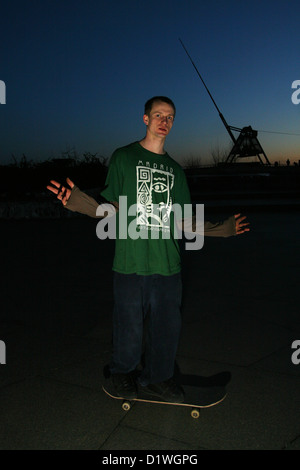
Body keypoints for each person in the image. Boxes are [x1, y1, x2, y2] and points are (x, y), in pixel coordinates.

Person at [47, 96, 249, 403]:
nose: (164, 121)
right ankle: (121, 373)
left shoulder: (176, 171)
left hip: (168, 263)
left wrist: (224, 228)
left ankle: (158, 378)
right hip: (130, 261)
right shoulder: (124, 157)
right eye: (158, 115)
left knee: (167, 326)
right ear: (145, 119)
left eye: (170, 117)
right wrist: (77, 201)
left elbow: (184, 221)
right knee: (128, 324)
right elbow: (111, 209)